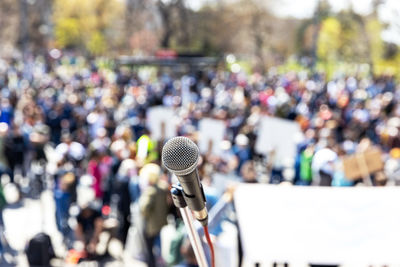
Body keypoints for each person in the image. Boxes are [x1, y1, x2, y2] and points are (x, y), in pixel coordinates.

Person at [139, 163, 169, 267]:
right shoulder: (163, 188)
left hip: (151, 224)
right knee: (158, 244)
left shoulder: (150, 191)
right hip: (160, 222)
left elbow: (144, 208)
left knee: (149, 247)